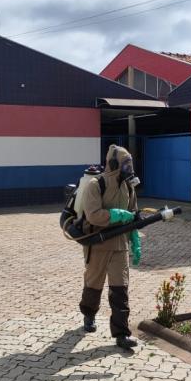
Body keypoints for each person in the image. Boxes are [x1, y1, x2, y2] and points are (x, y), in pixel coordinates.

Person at [77, 144, 142, 349]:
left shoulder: (129, 187)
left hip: (120, 245)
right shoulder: (96, 185)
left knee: (120, 289)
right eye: (125, 164)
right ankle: (89, 315)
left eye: (130, 163)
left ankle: (121, 334)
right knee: (93, 285)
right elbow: (93, 214)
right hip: (98, 244)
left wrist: (135, 239)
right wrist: (115, 214)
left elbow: (134, 215)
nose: (129, 168)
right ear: (114, 164)